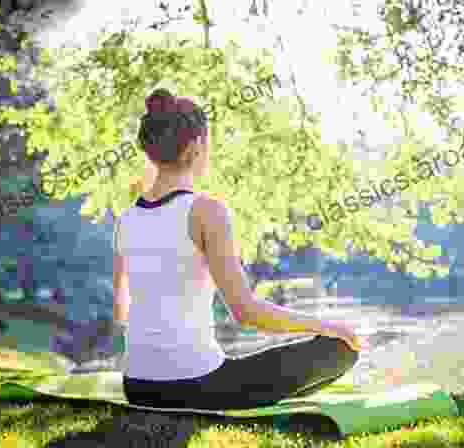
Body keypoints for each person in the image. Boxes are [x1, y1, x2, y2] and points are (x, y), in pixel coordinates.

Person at [112, 89, 369, 410]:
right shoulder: (206, 211)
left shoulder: (126, 219)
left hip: (136, 386)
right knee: (340, 349)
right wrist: (327, 326)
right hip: (197, 386)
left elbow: (121, 311)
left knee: (243, 366)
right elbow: (246, 312)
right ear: (196, 146)